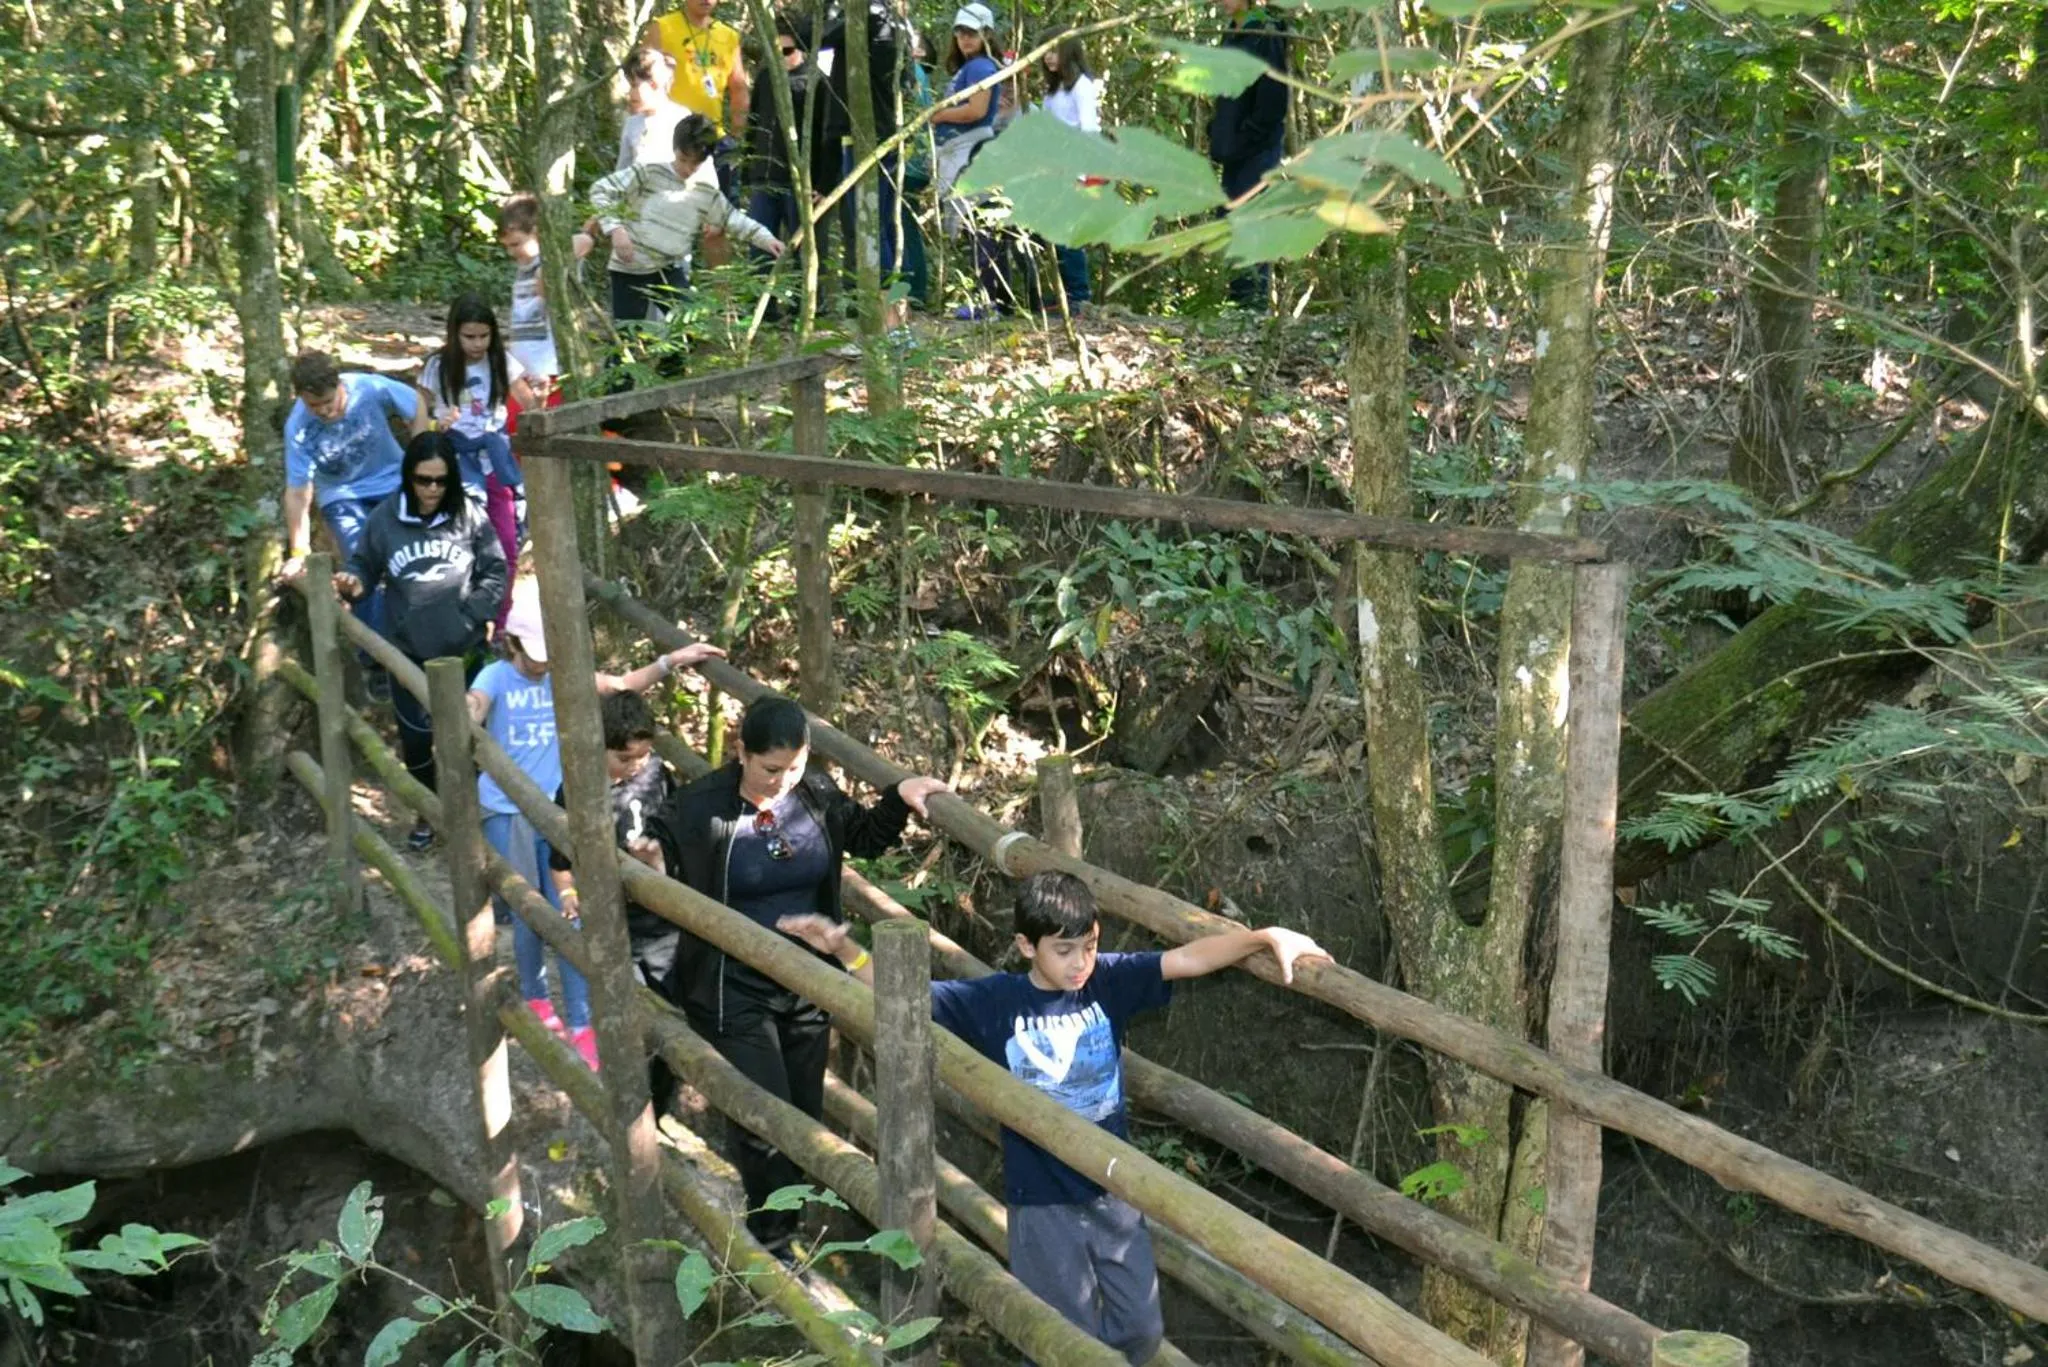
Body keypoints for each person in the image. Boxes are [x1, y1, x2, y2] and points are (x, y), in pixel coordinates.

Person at [782, 871, 1331, 1363]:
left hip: (1114, 1193)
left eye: (1089, 946)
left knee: (1139, 1331)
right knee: (1062, 1341)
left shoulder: (1106, 983)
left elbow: (1188, 957)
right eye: (1065, 950)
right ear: (1026, 945)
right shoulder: (994, 1002)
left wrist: (1264, 937)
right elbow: (905, 994)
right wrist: (844, 950)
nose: (1079, 963)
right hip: (1042, 1202)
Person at [641, 695, 949, 1254]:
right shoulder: (702, 806)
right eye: (770, 770)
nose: (783, 781)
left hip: (808, 987)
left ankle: (792, 1221)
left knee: (804, 1119)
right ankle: (773, 1238)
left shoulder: (815, 793)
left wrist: (900, 796)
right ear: (741, 752)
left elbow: (866, 836)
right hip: (730, 987)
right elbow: (654, 845)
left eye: (795, 766)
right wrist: (646, 858)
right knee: (765, 1122)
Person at [467, 580, 723, 1068]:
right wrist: (465, 715)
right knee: (526, 905)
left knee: (570, 909)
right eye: (535, 652)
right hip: (508, 808)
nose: (542, 662)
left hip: (561, 808)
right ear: (513, 643)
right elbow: (475, 704)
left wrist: (672, 661)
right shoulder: (496, 677)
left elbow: (620, 686)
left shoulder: (564, 675)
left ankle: (583, 1019)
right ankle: (537, 994)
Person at [334, 432, 508, 851]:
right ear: (407, 476)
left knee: (471, 737)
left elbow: (496, 571)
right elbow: (364, 566)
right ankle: (428, 813)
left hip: (465, 651)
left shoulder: (469, 516)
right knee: (416, 742)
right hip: (408, 654)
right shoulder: (385, 519)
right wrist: (352, 583)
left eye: (440, 481)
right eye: (422, 479)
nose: (431, 489)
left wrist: (470, 614)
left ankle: (471, 815)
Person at [546, 689, 705, 1113]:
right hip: (616, 930)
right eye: (624, 759)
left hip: (666, 925)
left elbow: (680, 837)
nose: (634, 767)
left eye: (642, 756)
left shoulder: (659, 775)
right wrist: (568, 894)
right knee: (629, 1018)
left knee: (675, 1020)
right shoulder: (577, 792)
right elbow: (560, 864)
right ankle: (629, 1107)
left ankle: (657, 1110)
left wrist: (661, 860)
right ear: (599, 747)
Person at [580, 114, 787, 325]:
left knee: (687, 328)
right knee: (627, 337)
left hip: (668, 268)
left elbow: (734, 220)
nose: (687, 169)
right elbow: (601, 190)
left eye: (694, 164)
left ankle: (674, 357)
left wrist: (767, 239)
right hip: (630, 268)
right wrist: (616, 229)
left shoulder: (705, 192)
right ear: (675, 150)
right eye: (683, 160)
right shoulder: (648, 172)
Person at [414, 294, 534, 601]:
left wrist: (541, 404)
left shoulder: (501, 361)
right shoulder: (438, 366)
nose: (477, 344)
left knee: (507, 543)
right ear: (454, 334)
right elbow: (419, 417)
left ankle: (500, 618)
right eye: (469, 337)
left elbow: (530, 404)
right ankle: (463, 613)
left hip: (495, 459)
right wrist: (432, 429)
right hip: (454, 460)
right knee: (460, 542)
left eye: (484, 336)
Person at [931, 3, 1017, 319]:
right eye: (960, 33)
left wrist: (937, 115)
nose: (964, 39)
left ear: (985, 34)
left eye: (971, 33)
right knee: (984, 227)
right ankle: (998, 303)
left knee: (981, 227)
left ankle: (989, 303)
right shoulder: (971, 67)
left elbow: (977, 111)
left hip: (973, 151)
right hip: (970, 151)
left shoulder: (981, 67)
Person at [1206, 0, 1290, 311]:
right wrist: (1218, 132)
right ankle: (1240, 301)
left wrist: (1247, 135)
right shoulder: (1233, 34)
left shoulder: (1264, 33)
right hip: (1232, 150)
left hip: (1256, 150)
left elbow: (1274, 98)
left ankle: (1252, 307)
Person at [643, 0, 750, 200]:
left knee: (720, 211)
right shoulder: (663, 27)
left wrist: (735, 139)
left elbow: (738, 88)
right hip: (669, 136)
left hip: (713, 139)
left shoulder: (728, 36)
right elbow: (642, 77)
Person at [1038, 29, 1100, 309]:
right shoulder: (1055, 90)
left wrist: (1080, 175)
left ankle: (1080, 294)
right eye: (1046, 52)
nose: (1049, 58)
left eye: (1054, 50)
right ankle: (1066, 294)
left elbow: (1088, 131)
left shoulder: (1082, 87)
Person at [743, 15, 810, 255]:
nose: (782, 56)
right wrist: (748, 169)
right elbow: (754, 123)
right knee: (760, 251)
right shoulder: (765, 77)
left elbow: (824, 137)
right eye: (776, 51)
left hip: (797, 182)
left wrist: (821, 181)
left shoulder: (814, 81)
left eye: (788, 50)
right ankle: (761, 294)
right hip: (764, 178)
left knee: (801, 251)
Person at [618, 46, 689, 170]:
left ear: (654, 84)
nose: (630, 93)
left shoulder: (681, 119)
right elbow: (622, 171)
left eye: (634, 86)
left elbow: (698, 171)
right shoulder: (632, 124)